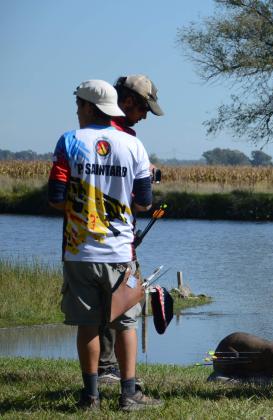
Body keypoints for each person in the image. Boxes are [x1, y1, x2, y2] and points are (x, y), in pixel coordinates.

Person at [48, 79, 163, 411]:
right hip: (120, 252)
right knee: (126, 323)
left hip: (79, 250)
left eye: (78, 106)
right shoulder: (133, 145)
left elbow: (56, 199)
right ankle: (128, 395)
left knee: (87, 325)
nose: (77, 112)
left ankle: (91, 397)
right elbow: (143, 202)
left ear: (87, 106)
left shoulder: (68, 140)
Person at [96, 74, 165, 385]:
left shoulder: (90, 134)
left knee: (103, 304)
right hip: (117, 239)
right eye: (144, 109)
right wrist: (145, 179)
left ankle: (102, 369)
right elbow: (141, 204)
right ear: (126, 102)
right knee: (123, 302)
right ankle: (109, 370)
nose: (145, 117)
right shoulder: (127, 141)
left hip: (86, 240)